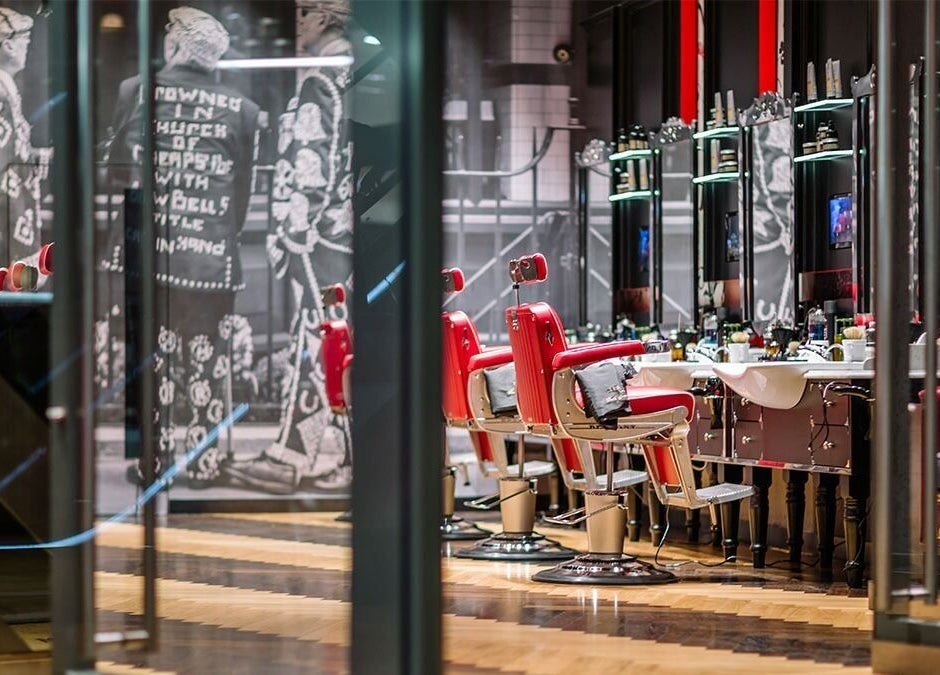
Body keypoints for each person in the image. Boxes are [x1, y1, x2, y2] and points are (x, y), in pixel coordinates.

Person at [105, 7, 260, 486]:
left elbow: (116, 169)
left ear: (173, 44)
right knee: (206, 355)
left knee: (149, 355)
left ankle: (154, 461)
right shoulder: (244, 111)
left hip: (145, 249)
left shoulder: (135, 91)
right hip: (209, 254)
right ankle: (204, 462)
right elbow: (241, 195)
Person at [223, 0, 352, 494]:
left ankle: (300, 455)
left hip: (319, 239)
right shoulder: (358, 79)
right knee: (332, 343)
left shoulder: (321, 82)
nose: (296, 26)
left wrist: (294, 234)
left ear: (323, 17)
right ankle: (317, 453)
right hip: (347, 234)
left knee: (320, 342)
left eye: (303, 15)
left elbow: (309, 166)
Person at [0, 8, 47, 269]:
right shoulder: (1, 96)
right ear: (7, 45)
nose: (27, 47)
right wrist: (21, 253)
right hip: (8, 232)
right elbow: (7, 173)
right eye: (24, 42)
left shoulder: (8, 93)